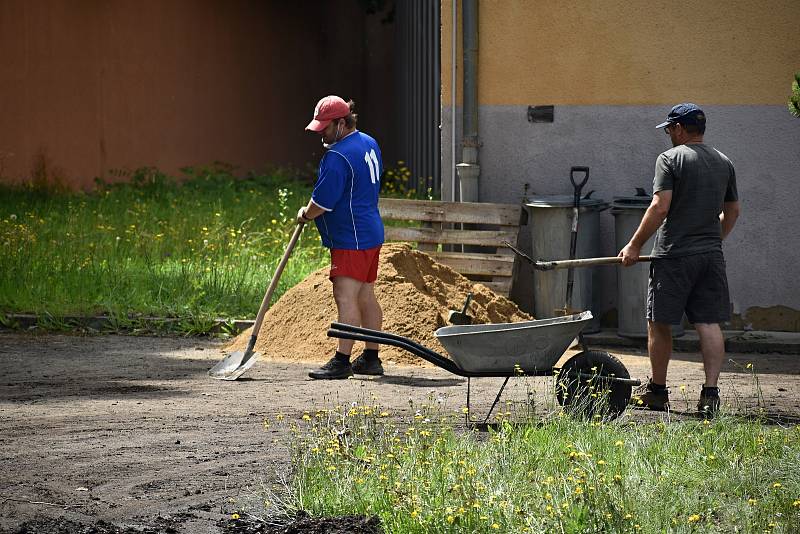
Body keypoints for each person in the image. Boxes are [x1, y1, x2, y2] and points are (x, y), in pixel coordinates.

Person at [619, 103, 740, 416]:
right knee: (708, 323)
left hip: (674, 256)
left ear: (680, 129)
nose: (669, 134)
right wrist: (715, 239)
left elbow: (660, 206)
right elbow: (733, 211)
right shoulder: (723, 161)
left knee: (659, 323)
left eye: (670, 128)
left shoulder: (670, 159)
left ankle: (657, 391)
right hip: (710, 256)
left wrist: (633, 245)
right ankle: (710, 394)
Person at [298, 95, 385, 379]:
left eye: (325, 127)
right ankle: (371, 358)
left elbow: (322, 202)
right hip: (370, 231)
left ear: (341, 122)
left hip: (351, 237)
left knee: (345, 296)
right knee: (365, 296)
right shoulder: (368, 142)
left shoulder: (337, 157)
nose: (321, 133)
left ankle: (341, 361)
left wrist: (305, 214)